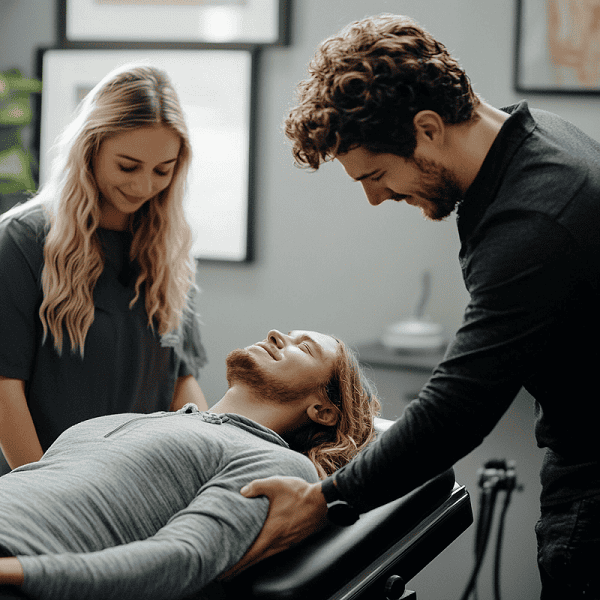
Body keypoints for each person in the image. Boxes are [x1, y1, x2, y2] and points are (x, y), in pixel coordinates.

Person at [227, 14, 600, 599]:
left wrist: (322, 500)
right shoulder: (540, 142)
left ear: (427, 128)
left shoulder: (533, 220)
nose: (376, 198)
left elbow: (460, 406)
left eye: (375, 175)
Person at [0, 328, 380, 600]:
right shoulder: (126, 420)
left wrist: (15, 572)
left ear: (322, 410)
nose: (277, 334)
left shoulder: (279, 464)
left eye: (305, 347)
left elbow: (182, 559)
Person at [0, 64, 208, 476]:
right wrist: (44, 490)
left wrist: (212, 456)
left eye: (162, 171)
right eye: (128, 166)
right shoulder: (22, 242)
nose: (144, 186)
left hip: (136, 485)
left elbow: (180, 382)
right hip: (42, 486)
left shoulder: (168, 248)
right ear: (90, 149)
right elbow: (4, 387)